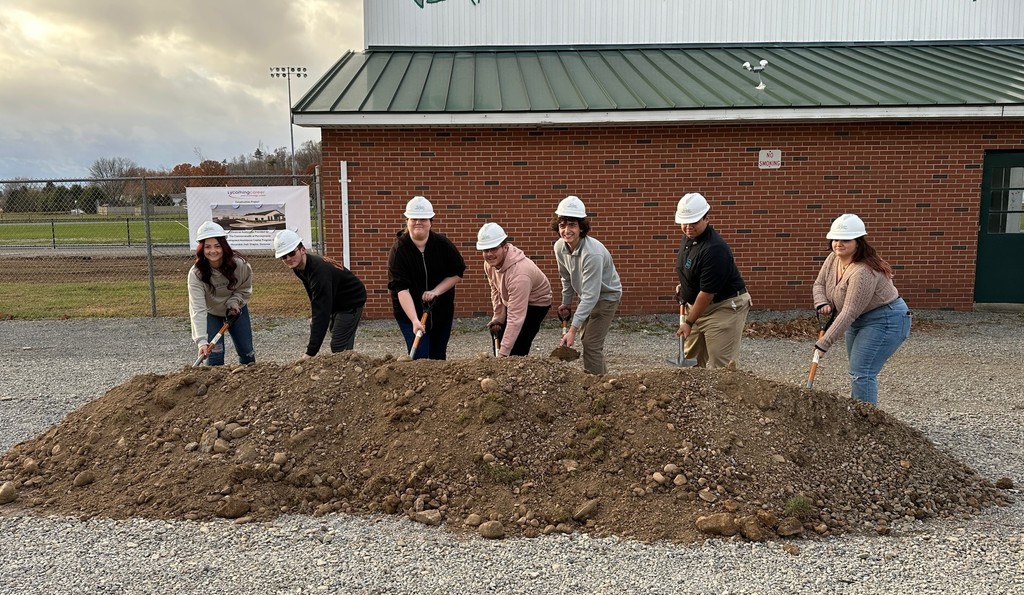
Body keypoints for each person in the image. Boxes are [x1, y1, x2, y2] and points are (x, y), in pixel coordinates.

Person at [812, 214, 911, 405]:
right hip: (859, 319)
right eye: (835, 239)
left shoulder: (863, 271)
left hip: (886, 319)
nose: (838, 244)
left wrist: (824, 343)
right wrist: (822, 303)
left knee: (862, 372)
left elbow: (849, 311)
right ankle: (859, 413)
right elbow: (819, 284)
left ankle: (867, 422)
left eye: (845, 240)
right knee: (857, 370)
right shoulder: (833, 259)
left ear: (858, 242)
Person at [673, 192, 752, 369]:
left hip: (724, 308)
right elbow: (691, 268)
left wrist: (688, 322)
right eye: (684, 222)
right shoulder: (689, 239)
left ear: (706, 219)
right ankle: (693, 396)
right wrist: (685, 287)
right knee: (690, 361)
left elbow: (707, 293)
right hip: (697, 306)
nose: (688, 227)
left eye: (693, 222)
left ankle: (725, 396)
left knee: (721, 366)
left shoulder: (715, 249)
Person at [387, 196, 467, 359]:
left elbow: (457, 274)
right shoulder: (399, 251)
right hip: (410, 314)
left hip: (441, 313)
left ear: (430, 221)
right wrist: (415, 321)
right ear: (407, 221)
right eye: (414, 218)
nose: (418, 222)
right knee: (420, 357)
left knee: (438, 356)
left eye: (423, 219)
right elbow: (401, 289)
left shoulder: (442, 245)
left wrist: (436, 291)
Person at [551, 195, 622, 374]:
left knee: (591, 344)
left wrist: (572, 329)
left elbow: (591, 295)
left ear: (581, 227)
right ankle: (602, 380)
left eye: (572, 225)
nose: (567, 230)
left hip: (607, 297)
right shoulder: (560, 247)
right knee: (588, 341)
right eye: (562, 225)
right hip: (588, 296)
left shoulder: (592, 254)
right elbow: (566, 277)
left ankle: (597, 389)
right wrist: (566, 302)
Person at [274, 229, 367, 359]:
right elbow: (313, 293)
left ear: (302, 250)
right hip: (335, 298)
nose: (288, 259)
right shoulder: (299, 266)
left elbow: (322, 310)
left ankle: (350, 371)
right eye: (284, 256)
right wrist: (316, 315)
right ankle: (348, 364)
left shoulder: (319, 272)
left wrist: (310, 353)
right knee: (335, 334)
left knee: (338, 345)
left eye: (291, 253)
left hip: (351, 300)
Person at [476, 222, 553, 356]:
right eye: (485, 250)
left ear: (505, 247)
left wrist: (503, 354)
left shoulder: (520, 274)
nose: (489, 254)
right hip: (512, 297)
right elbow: (495, 289)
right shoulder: (489, 264)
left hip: (536, 302)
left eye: (494, 249)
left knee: (518, 345)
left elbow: (516, 318)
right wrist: (499, 317)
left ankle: (517, 369)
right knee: (498, 334)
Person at [187, 221, 255, 366]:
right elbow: (197, 308)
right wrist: (201, 341)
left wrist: (234, 302)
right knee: (214, 359)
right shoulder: (196, 274)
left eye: (217, 246)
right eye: (208, 247)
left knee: (247, 353)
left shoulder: (240, 265)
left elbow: (244, 288)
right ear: (201, 249)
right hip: (212, 314)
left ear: (224, 246)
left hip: (236, 311)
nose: (213, 251)